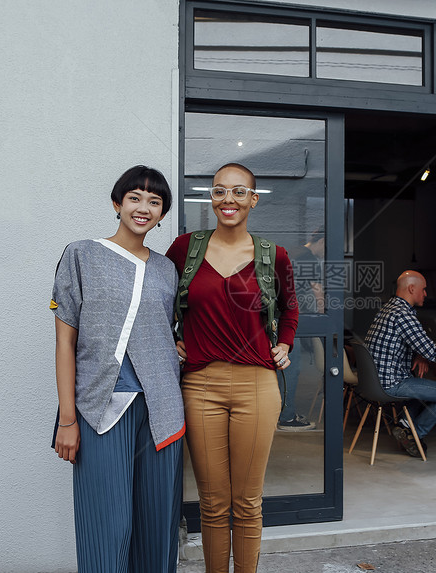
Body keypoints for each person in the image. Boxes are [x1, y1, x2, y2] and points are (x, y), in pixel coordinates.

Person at [166, 163, 298, 573]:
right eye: (220, 191)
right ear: (212, 198)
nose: (229, 200)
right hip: (200, 386)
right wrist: (169, 341)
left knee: (247, 500)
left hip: (257, 385)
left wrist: (285, 344)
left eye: (239, 192)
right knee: (213, 501)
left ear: (253, 200)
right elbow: (156, 301)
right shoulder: (184, 249)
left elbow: (291, 306)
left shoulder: (272, 255)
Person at [51, 165, 184, 573]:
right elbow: (64, 342)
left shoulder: (167, 269)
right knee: (107, 525)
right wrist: (67, 420)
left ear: (162, 215)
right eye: (135, 198)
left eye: (155, 202)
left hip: (162, 411)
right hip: (99, 409)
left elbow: (165, 331)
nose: (143, 208)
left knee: (158, 526)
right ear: (117, 203)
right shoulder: (81, 254)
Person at [365, 270, 436, 456]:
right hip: (392, 384)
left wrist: (419, 355)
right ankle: (415, 434)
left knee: (418, 379)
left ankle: (406, 425)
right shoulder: (403, 315)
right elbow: (434, 353)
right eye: (423, 290)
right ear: (411, 288)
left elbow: (412, 345)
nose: (425, 294)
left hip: (373, 382)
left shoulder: (387, 309)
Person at [276, 228, 324, 431]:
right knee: (291, 368)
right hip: (295, 319)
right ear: (323, 242)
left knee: (282, 368)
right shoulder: (310, 259)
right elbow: (316, 292)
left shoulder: (293, 252)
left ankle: (280, 413)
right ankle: (286, 418)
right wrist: (323, 314)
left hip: (278, 317)